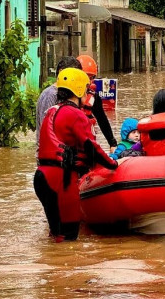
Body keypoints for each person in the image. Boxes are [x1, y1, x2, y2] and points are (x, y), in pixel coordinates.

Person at [33, 68, 119, 242]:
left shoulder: (52, 111)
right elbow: (91, 147)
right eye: (87, 91)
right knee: (69, 238)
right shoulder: (76, 115)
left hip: (42, 178)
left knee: (56, 235)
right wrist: (113, 164)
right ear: (80, 90)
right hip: (60, 181)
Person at [35, 56, 82, 150]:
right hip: (50, 155)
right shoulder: (50, 95)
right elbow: (47, 129)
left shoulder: (70, 95)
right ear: (61, 72)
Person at [77, 55, 118, 152]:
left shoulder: (93, 98)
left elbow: (103, 121)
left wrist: (112, 143)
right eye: (87, 77)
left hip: (87, 144)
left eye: (92, 77)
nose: (89, 81)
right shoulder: (67, 96)